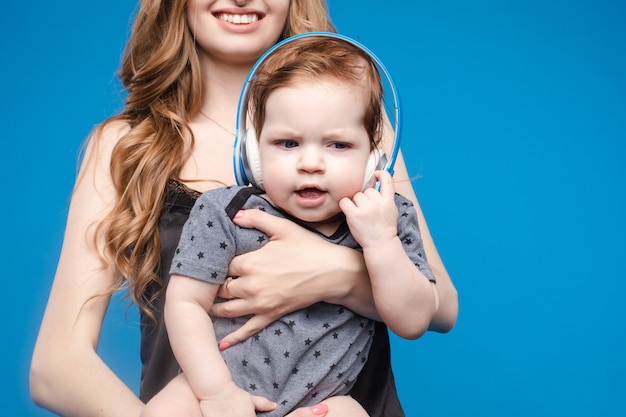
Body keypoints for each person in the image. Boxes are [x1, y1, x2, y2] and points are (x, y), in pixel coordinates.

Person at [29, 1, 458, 417]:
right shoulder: (126, 146)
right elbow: (56, 368)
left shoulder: (364, 127)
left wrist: (337, 273)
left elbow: (440, 306)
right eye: (287, 143)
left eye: (336, 145)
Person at [141, 34, 439, 417]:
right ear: (254, 152)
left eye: (337, 145)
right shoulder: (225, 210)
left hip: (319, 405)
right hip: (214, 390)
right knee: (164, 411)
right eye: (287, 143)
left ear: (372, 155)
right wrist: (217, 393)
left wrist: (381, 241)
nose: (310, 163)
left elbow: (414, 321)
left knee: (351, 414)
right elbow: (186, 304)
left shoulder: (387, 216)